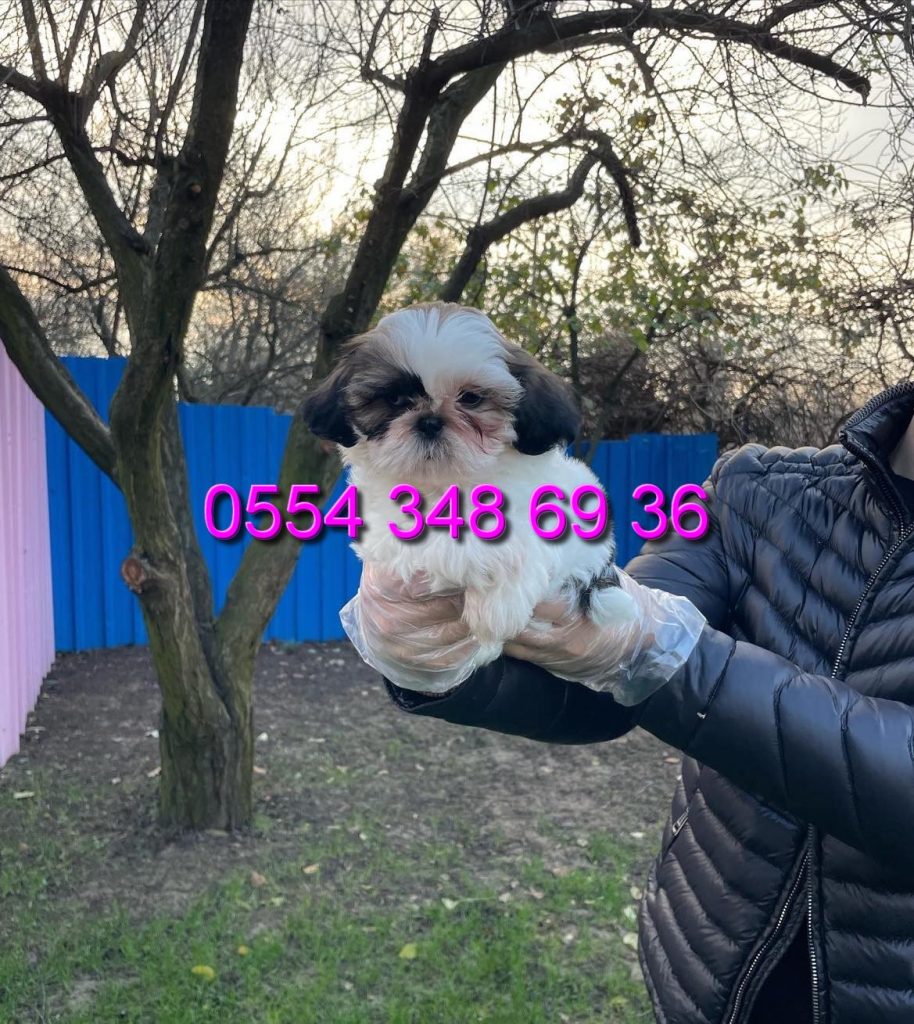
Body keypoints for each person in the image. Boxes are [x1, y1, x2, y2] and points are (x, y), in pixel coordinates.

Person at [352, 381, 914, 1024]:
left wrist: (664, 653)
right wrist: (443, 661)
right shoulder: (752, 485)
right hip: (705, 971)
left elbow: (646, 650)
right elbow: (606, 674)